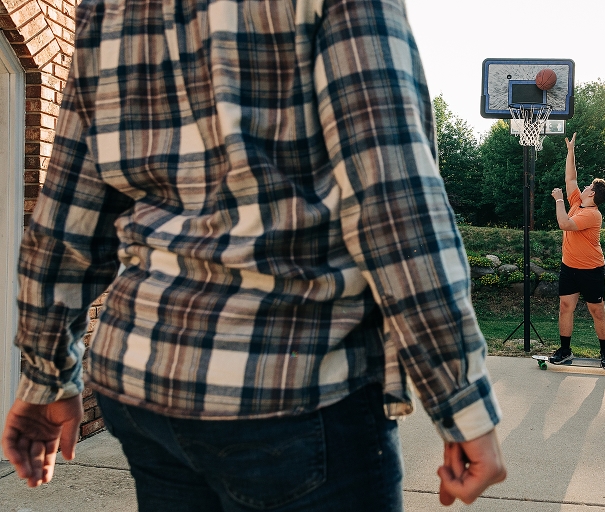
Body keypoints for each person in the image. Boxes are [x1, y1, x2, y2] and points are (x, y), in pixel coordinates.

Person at [1, 0, 506, 509]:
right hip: (294, 386)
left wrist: (46, 376)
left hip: (142, 378)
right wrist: (461, 402)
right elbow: (392, 201)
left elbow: (68, 212)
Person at [550, 133, 605, 369]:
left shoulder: (591, 214)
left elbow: (564, 224)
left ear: (592, 194)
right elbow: (571, 178)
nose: (584, 186)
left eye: (588, 186)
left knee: (597, 311)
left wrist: (558, 200)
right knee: (565, 307)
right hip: (569, 268)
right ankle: (565, 350)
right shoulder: (579, 202)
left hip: (590, 270)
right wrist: (570, 151)